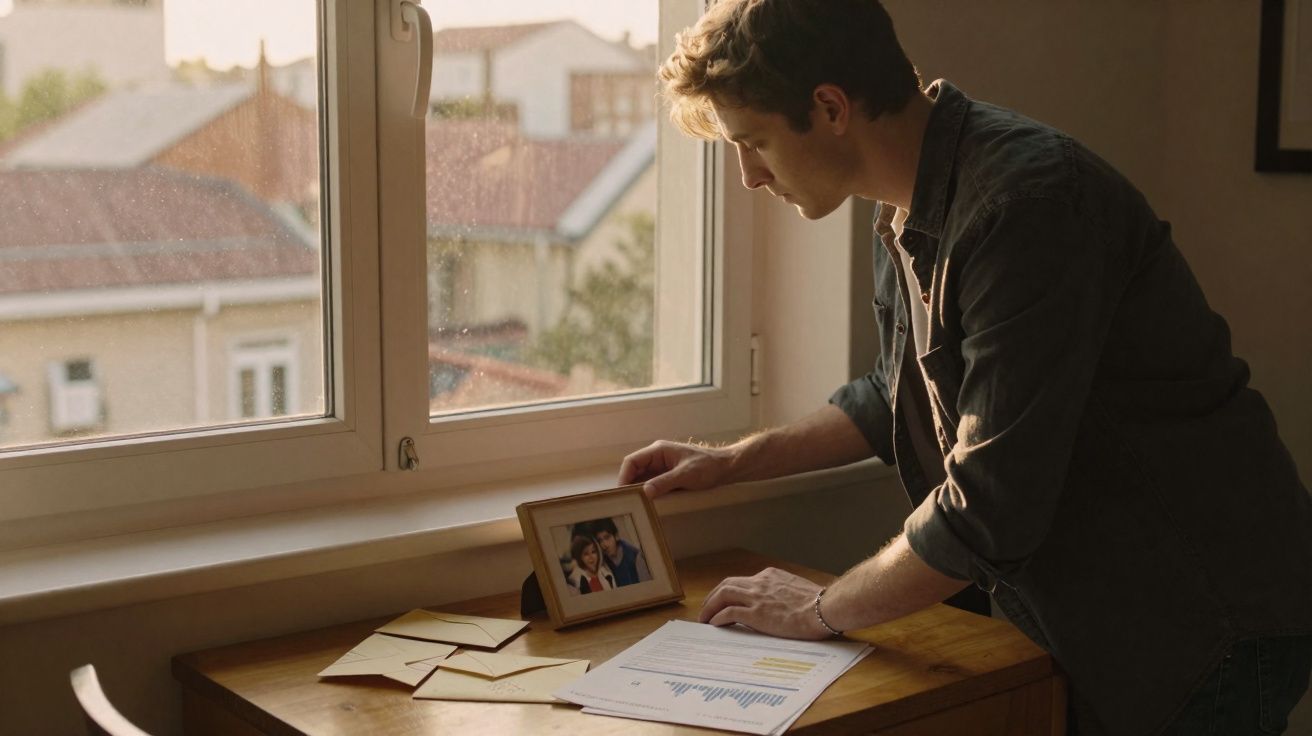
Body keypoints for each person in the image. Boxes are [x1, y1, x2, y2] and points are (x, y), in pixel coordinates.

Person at [617, 1, 1312, 734]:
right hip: (1098, 609)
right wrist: (729, 463)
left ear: (829, 108)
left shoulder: (1026, 206)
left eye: (752, 142)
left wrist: (819, 609)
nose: (749, 177)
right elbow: (895, 392)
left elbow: (989, 508)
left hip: (1201, 617)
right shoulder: (904, 199)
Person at [588, 517, 653, 587]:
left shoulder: (635, 555)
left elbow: (647, 586)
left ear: (616, 536)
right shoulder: (602, 560)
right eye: (600, 541)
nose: (604, 545)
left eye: (607, 537)